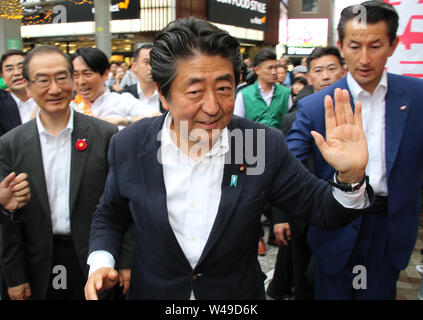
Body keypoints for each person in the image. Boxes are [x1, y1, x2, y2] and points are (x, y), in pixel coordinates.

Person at [85, 17, 373, 300]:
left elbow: (322, 210)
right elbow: (109, 215)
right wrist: (101, 263)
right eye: (195, 91)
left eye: (224, 89)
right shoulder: (130, 144)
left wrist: (350, 177)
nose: (212, 107)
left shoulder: (257, 144)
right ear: (163, 94)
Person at [287, 1, 423, 299]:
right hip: (334, 224)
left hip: (390, 227)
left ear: (393, 45)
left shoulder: (417, 97)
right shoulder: (315, 106)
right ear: (341, 46)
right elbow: (289, 166)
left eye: (375, 46)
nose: (364, 58)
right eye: (354, 46)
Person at [0, 45, 133, 300]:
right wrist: (14, 277)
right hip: (38, 260)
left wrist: (126, 260)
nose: (54, 88)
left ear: (72, 80)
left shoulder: (104, 135)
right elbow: (9, 219)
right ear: (27, 86)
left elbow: (122, 204)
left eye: (62, 77)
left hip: (94, 258)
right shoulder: (11, 144)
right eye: (43, 80)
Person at [268, 46, 346, 300]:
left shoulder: (358, 113)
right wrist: (279, 217)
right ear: (309, 77)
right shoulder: (294, 118)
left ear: (344, 72)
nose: (325, 76)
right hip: (304, 217)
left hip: (348, 214)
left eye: (331, 69)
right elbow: (284, 169)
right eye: (318, 71)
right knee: (304, 279)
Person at [234, 48, 291, 255]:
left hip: (277, 149)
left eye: (276, 67)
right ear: (257, 70)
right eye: (269, 68)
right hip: (251, 149)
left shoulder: (285, 93)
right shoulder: (244, 94)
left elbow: (288, 121)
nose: (274, 71)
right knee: (252, 195)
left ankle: (277, 229)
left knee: (278, 191)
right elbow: (236, 125)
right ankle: (256, 236)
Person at [70, 47, 159, 129]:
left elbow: (158, 117)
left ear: (105, 74)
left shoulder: (122, 101)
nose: (81, 82)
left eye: (87, 74)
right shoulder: (70, 107)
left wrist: (124, 121)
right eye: (76, 75)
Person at [0, 50, 37, 136]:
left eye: (21, 67)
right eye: (9, 69)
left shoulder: (49, 98)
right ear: (3, 77)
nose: (16, 73)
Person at [119, 44, 163, 113]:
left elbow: (183, 121)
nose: (151, 67)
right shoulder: (122, 97)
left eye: (155, 62)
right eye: (146, 62)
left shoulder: (169, 95)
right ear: (134, 67)